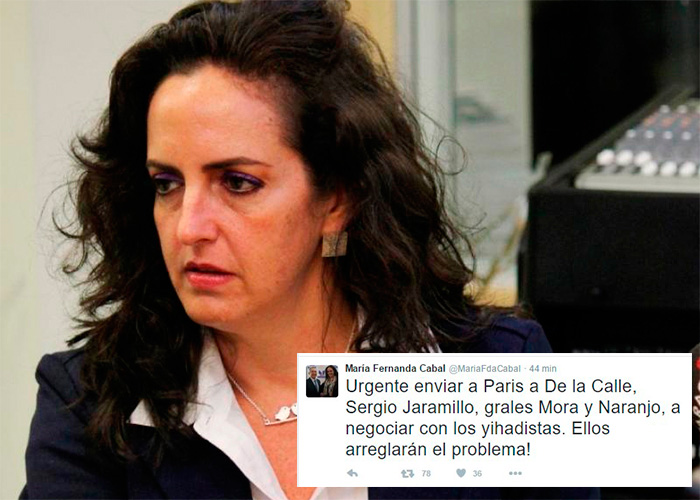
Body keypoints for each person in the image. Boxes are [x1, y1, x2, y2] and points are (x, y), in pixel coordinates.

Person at [21, 1, 598, 499]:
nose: (189, 226)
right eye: (167, 184)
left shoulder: (495, 372)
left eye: (237, 183)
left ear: (338, 198)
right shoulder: (90, 402)